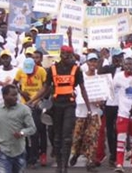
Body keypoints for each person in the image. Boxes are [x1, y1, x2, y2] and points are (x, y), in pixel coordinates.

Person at [29, 45, 91, 173]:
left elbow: (83, 89)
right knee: (57, 137)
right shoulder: (52, 69)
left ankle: (65, 167)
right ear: (60, 54)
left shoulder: (76, 69)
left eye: (68, 54)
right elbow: (45, 88)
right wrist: (32, 100)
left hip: (69, 105)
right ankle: (59, 165)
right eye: (63, 53)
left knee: (67, 137)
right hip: (56, 105)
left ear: (71, 55)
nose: (65, 56)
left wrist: (89, 108)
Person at [0, 84, 37, 173]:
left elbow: (32, 128)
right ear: (4, 96)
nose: (16, 97)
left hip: (19, 151)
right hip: (3, 151)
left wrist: (22, 133)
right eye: (13, 95)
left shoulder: (24, 109)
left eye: (17, 94)